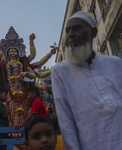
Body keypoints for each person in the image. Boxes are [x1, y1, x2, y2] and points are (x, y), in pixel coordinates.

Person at [51, 10, 122, 150]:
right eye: (68, 30)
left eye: (77, 28)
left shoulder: (116, 63)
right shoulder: (59, 72)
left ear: (93, 32)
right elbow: (66, 123)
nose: (70, 34)